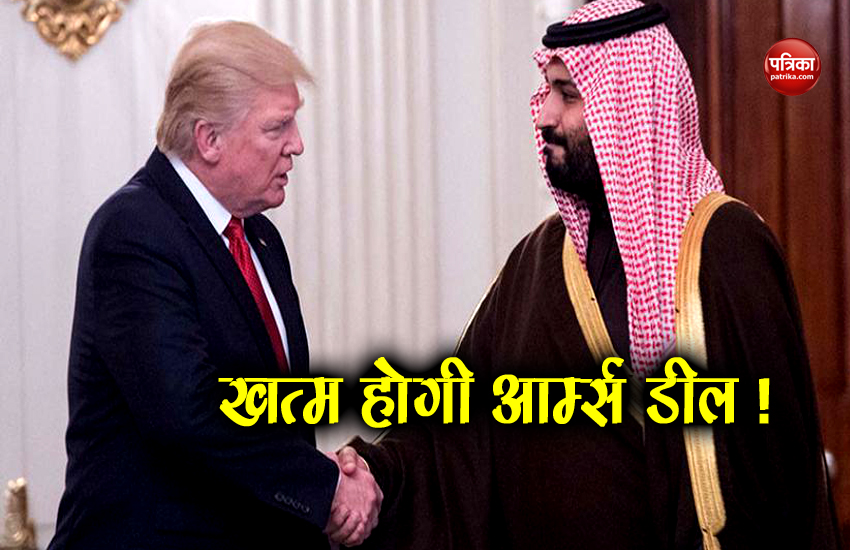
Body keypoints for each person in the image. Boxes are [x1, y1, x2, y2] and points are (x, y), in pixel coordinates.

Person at [338, 1, 840, 548]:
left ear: (629, 108)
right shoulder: (539, 259)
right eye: (548, 91)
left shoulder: (726, 248)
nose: (544, 115)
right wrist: (376, 476)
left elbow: (771, 475)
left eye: (568, 94)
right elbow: (456, 426)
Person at [48, 21, 380, 550]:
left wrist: (329, 474)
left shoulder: (259, 238)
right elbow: (190, 413)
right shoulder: (133, 230)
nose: (297, 145)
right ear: (209, 139)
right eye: (278, 127)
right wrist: (324, 488)